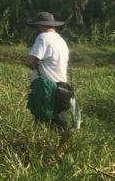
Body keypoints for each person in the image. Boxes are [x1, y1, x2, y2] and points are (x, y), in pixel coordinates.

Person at [21, 12, 75, 140]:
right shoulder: (60, 40)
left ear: (39, 25)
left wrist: (23, 59)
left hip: (47, 88)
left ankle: (40, 149)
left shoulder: (43, 37)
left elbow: (33, 61)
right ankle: (60, 150)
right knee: (59, 123)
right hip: (62, 87)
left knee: (43, 122)